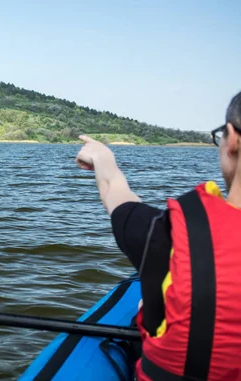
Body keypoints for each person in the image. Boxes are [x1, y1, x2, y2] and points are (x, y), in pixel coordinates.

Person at [75, 90, 241, 381]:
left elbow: (116, 194)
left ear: (233, 139)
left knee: (147, 306)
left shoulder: (177, 236)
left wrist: (102, 156)